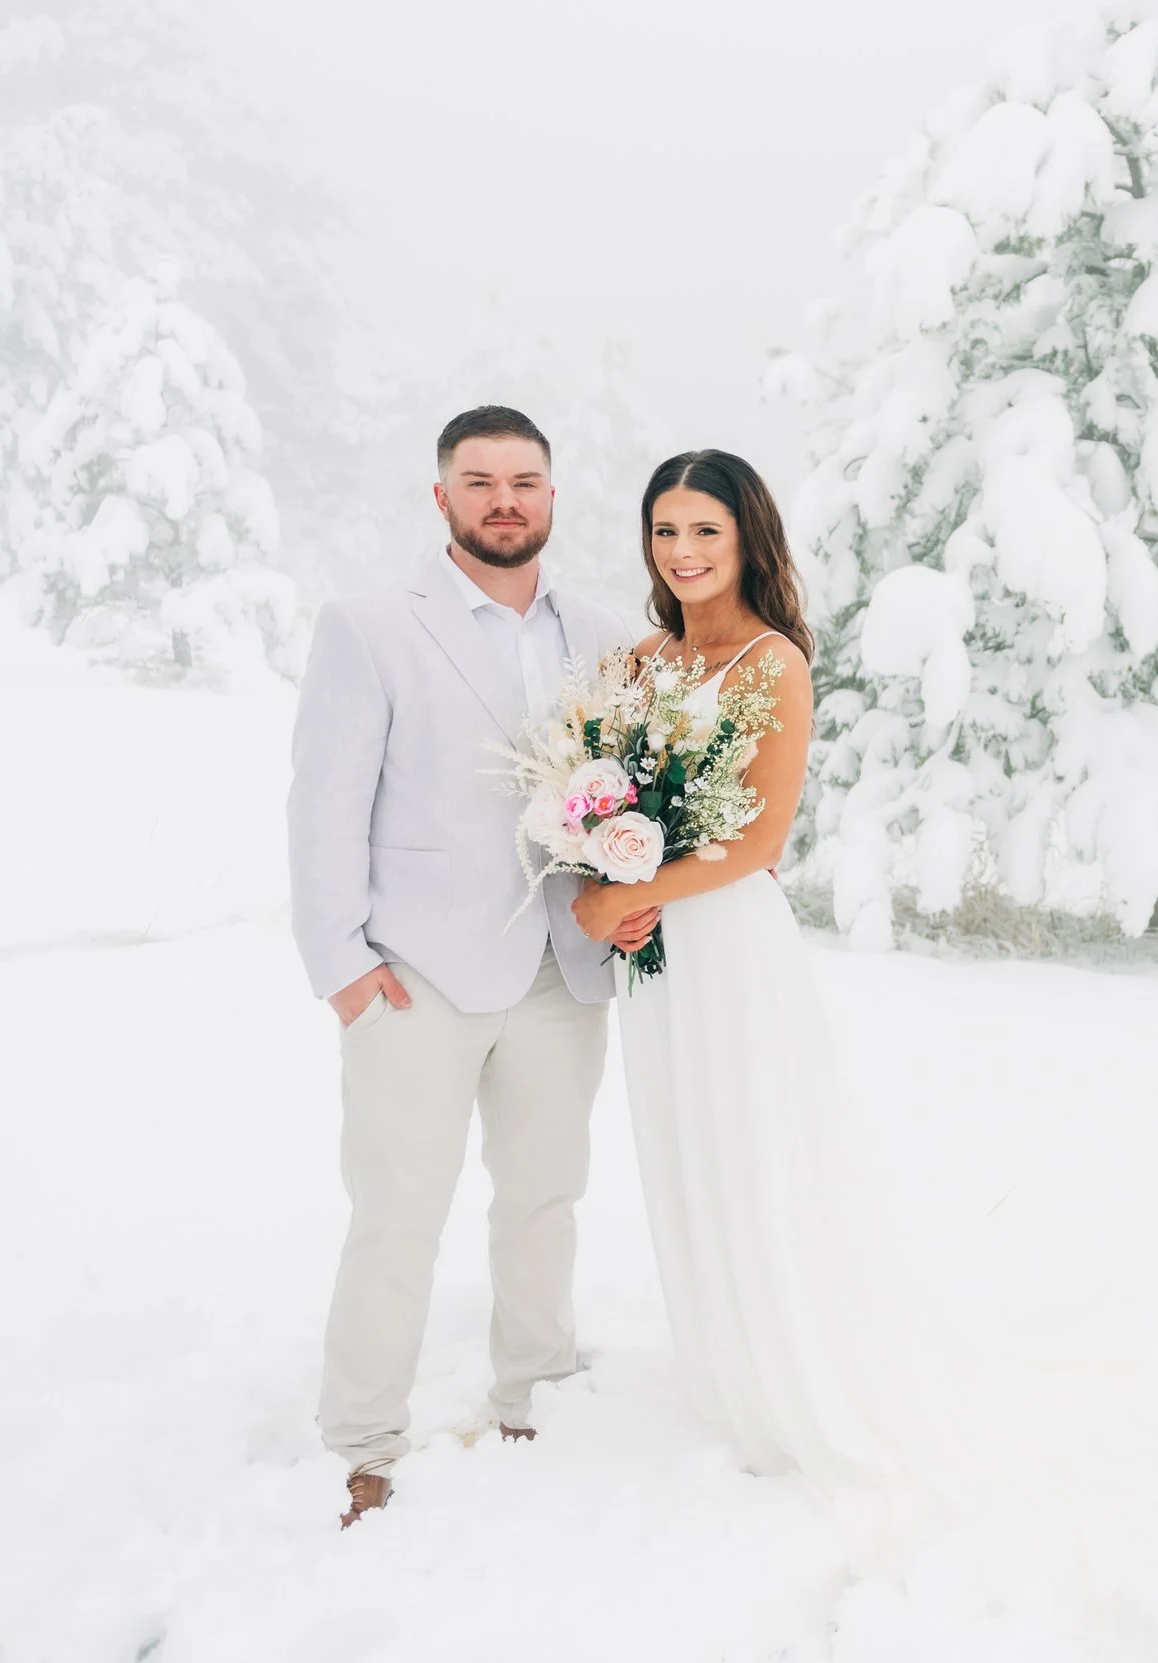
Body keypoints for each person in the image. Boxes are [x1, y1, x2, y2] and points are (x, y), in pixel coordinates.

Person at [568, 451, 976, 1519]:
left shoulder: (771, 663)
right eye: (665, 531)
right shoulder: (640, 658)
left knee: (746, 1142)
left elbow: (756, 842)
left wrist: (625, 893)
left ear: (748, 536)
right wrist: (593, 876)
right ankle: (715, 1363)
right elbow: (593, 795)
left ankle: (782, 1377)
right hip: (650, 951)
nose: (683, 552)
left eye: (705, 529)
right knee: (679, 1144)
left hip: (724, 943)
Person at [285, 406, 654, 1528]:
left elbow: (630, 792)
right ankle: (363, 1438)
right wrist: (341, 966)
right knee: (398, 1210)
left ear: (552, 497)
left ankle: (534, 1394)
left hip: (561, 964)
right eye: (480, 479)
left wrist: (636, 896)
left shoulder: (601, 633)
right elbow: (322, 806)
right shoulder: (369, 628)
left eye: (526, 481)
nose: (505, 499)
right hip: (416, 975)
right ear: (440, 497)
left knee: (545, 1197)